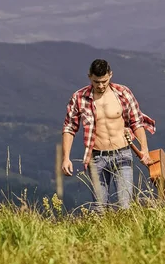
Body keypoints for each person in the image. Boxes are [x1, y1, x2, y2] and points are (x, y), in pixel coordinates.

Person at [61, 58, 156, 212]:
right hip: (97, 157)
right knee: (99, 208)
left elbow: (136, 122)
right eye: (96, 82)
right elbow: (69, 128)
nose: (100, 85)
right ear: (89, 77)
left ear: (110, 75)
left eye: (104, 81)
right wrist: (66, 158)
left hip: (122, 154)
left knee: (125, 206)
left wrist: (144, 149)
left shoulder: (123, 93)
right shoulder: (79, 97)